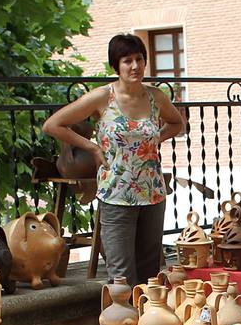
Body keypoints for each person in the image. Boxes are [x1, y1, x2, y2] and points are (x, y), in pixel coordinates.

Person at [44, 34, 186, 285]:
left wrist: (155, 140)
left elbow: (177, 123)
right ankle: (120, 323)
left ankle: (146, 323)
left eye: (139, 59)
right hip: (116, 194)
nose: (135, 66)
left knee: (150, 275)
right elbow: (53, 125)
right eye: (127, 60)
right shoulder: (102, 97)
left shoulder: (156, 97)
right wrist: (92, 148)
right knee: (120, 277)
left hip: (152, 193)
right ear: (116, 66)